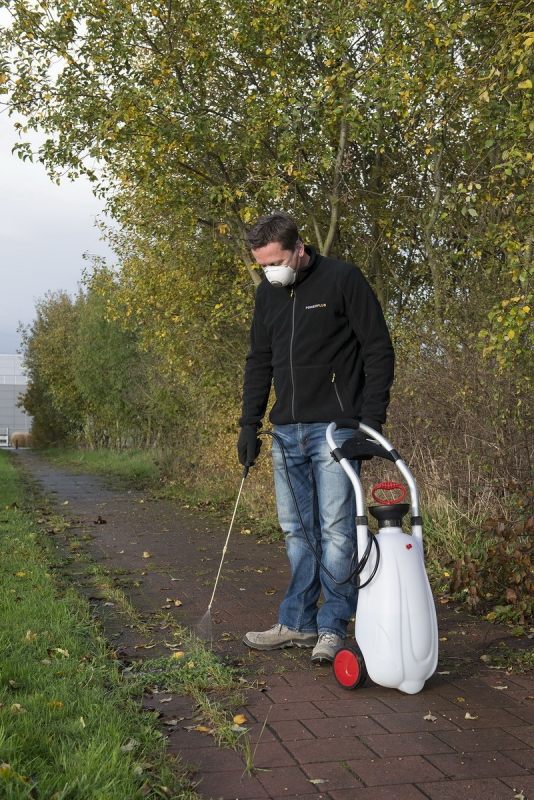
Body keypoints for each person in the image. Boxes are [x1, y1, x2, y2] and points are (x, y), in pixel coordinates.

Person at [237, 212, 395, 663]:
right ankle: (298, 622)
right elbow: (258, 361)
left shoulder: (343, 279)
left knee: (338, 533)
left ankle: (333, 627)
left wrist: (369, 423)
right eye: (262, 265)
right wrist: (249, 424)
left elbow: (378, 350)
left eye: (276, 261)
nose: (271, 271)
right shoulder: (268, 294)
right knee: (296, 531)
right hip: (285, 429)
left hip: (335, 430)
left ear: (299, 249)